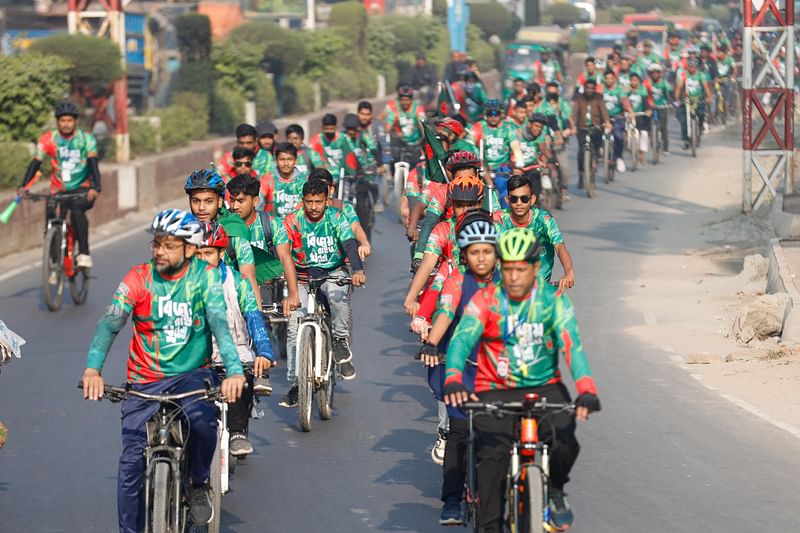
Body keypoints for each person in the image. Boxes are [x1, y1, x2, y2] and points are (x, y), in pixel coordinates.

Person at [82, 208, 246, 533]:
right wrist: (93, 369)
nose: (159, 251)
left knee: (203, 426)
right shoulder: (138, 278)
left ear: (189, 248)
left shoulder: (205, 277)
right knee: (130, 462)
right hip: (144, 380)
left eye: (169, 245)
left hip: (192, 377)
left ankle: (199, 482)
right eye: (157, 243)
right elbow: (110, 323)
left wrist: (235, 371)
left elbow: (220, 327)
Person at [444, 227, 600, 533]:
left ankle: (554, 490)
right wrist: (453, 378)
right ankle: (489, 526)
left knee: (566, 441)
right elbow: (461, 341)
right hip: (493, 390)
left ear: (534, 267)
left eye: (522, 269)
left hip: (544, 386)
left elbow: (573, 347)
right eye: (509, 269)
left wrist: (586, 390)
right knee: (492, 459)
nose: (514, 277)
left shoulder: (552, 301)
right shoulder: (485, 300)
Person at [417, 210, 499, 525]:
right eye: (474, 252)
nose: (481, 258)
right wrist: (431, 343)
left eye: (487, 251)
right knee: (459, 434)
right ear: (464, 255)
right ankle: (452, 499)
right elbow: (445, 313)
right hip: (464, 370)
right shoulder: (455, 280)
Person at [278, 178, 367, 407]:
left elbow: (349, 244)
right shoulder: (292, 221)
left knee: (338, 299)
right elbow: (282, 251)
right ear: (303, 201)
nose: (314, 207)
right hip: (301, 276)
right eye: (309, 202)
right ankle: (295, 384)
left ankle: (339, 341)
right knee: (293, 327)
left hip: (332, 272)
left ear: (327, 201)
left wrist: (357, 269)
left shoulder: (337, 218)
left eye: (318, 202)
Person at [194, 221, 274, 455]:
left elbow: (253, 317)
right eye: (197, 253)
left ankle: (238, 430)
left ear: (220, 253)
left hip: (235, 349)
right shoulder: (180, 284)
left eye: (208, 253)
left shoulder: (237, 281)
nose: (202, 258)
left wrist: (265, 352)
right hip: (196, 354)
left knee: (243, 375)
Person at [226, 173, 302, 380]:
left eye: (240, 201)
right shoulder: (224, 226)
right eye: (231, 200)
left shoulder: (272, 224)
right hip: (230, 285)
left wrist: (293, 294)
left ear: (256, 201)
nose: (234, 206)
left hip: (263, 282)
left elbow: (286, 257)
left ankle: (262, 368)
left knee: (261, 317)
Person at [19, 101, 101, 269]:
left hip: (83, 188)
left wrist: (95, 187)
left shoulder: (86, 139)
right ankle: (55, 261)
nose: (66, 124)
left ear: (75, 121)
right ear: (57, 122)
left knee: (77, 212)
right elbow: (36, 163)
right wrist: (24, 186)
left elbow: (93, 164)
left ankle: (84, 253)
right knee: (52, 218)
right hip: (59, 189)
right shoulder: (49, 139)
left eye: (69, 121)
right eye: (62, 121)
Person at [403, 173, 485, 317]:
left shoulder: (494, 226)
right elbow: (427, 265)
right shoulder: (442, 229)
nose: (465, 210)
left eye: (471, 205)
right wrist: (410, 298)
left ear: (480, 203)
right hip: (447, 284)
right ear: (452, 205)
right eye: (460, 205)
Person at [185, 169, 262, 309]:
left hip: (230, 305)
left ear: (220, 202)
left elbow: (249, 279)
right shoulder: (183, 232)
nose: (201, 208)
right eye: (196, 201)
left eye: (208, 201)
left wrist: (258, 318)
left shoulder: (234, 231)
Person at [495, 174, 574, 289]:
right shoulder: (499, 220)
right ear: (507, 200)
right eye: (514, 199)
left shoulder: (544, 220)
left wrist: (568, 272)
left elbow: (559, 247)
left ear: (532, 199)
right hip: (508, 287)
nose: (519, 203)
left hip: (540, 289)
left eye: (524, 199)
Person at [469, 99, 522, 201]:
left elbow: (515, 148)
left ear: (501, 114)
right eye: (490, 114)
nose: (493, 117)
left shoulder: (508, 128)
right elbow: (470, 145)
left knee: (506, 192)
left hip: (502, 168)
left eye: (496, 113)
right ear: (485, 114)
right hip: (482, 167)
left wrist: (518, 164)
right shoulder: (479, 126)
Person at [572, 80, 611, 188]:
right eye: (587, 88)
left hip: (596, 128)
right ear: (584, 88)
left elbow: (603, 110)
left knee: (597, 148)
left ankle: (594, 163)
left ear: (594, 89)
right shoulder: (579, 98)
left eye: (591, 88)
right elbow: (574, 112)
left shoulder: (599, 97)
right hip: (582, 128)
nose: (589, 90)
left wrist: (607, 122)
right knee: (581, 153)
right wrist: (573, 126)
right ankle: (581, 176)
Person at [259, 142, 307, 217]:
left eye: (290, 159)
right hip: (272, 225)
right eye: (282, 159)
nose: (286, 163)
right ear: (276, 161)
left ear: (296, 160)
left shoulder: (304, 180)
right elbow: (258, 204)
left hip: (297, 225)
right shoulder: (268, 179)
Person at [383, 84, 426, 165]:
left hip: (415, 143)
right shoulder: (395, 109)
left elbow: (422, 125)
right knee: (393, 162)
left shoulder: (418, 108)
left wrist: (425, 139)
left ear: (411, 100)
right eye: (402, 100)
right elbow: (387, 128)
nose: (404, 102)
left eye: (407, 100)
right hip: (400, 144)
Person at [675, 58, 712, 150]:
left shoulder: (701, 75)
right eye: (690, 66)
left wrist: (708, 97)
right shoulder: (684, 75)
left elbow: (706, 87)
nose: (692, 68)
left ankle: (699, 128)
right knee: (683, 121)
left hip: (698, 99)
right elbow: (679, 87)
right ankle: (686, 140)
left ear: (696, 67)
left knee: (701, 114)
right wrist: (677, 98)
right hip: (686, 100)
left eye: (693, 67)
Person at [357, 101, 387, 212]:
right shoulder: (353, 126)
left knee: (374, 185)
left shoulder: (376, 125)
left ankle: (376, 199)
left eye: (367, 114)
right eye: (362, 114)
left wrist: (384, 163)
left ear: (371, 115)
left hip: (375, 162)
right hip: (357, 163)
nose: (364, 117)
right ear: (358, 114)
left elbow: (384, 144)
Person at [602, 70, 631, 173]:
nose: (609, 80)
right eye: (607, 78)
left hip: (617, 118)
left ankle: (619, 157)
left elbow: (624, 101)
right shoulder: (601, 89)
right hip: (603, 119)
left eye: (611, 78)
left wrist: (629, 111)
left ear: (614, 79)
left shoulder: (619, 90)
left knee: (619, 136)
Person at [643, 64, 672, 155]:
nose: (654, 75)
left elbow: (671, 92)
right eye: (652, 73)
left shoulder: (664, 83)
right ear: (649, 74)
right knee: (647, 125)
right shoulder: (646, 83)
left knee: (663, 127)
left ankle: (665, 148)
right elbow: (643, 95)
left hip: (662, 106)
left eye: (657, 73)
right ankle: (653, 139)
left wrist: (674, 101)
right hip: (650, 106)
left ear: (660, 74)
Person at [626, 72, 651, 165]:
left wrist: (648, 110)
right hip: (629, 116)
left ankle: (642, 155)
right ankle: (631, 150)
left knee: (644, 134)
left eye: (635, 80)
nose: (633, 82)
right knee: (628, 134)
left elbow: (645, 102)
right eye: (632, 80)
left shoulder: (642, 90)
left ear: (639, 81)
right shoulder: (626, 90)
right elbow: (623, 102)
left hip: (640, 115)